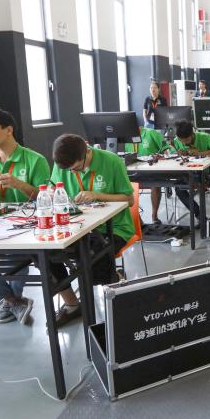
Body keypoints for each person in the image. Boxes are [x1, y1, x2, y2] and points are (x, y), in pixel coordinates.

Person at [0, 109, 49, 324]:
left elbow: (46, 197)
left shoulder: (35, 160)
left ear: (9, 130)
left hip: (26, 224)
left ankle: (11, 302)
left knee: (16, 249)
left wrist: (19, 185)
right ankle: (12, 300)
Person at [49, 134, 136, 325]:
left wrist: (96, 195)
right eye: (68, 170)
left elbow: (129, 200)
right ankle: (72, 305)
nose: (73, 172)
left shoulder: (111, 161)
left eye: (76, 168)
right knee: (46, 256)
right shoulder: (63, 163)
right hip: (76, 228)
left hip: (114, 228)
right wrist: (51, 193)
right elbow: (53, 187)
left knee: (90, 258)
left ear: (87, 152)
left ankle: (115, 279)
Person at [171, 120, 210, 224]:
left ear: (192, 134)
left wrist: (201, 153)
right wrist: (179, 153)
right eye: (181, 140)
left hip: (207, 171)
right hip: (187, 173)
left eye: (186, 140)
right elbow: (173, 155)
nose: (184, 143)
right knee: (179, 189)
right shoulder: (177, 140)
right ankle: (200, 215)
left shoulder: (205, 137)